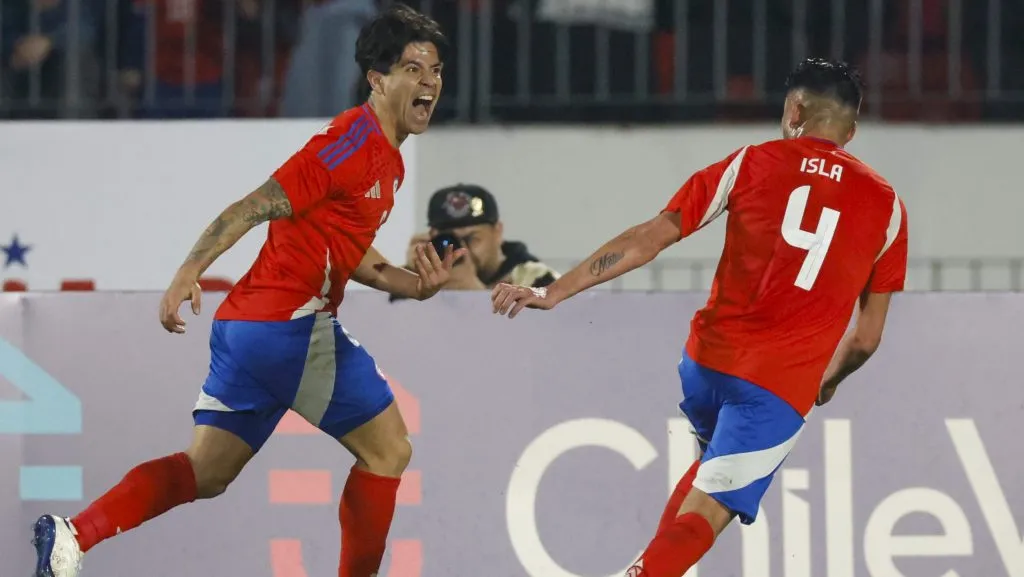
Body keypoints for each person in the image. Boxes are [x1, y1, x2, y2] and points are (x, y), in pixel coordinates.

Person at [32, 5, 455, 577]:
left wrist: (415, 287)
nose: (429, 81)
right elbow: (252, 206)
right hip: (289, 326)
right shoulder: (347, 144)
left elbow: (352, 254)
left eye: (435, 70)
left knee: (207, 473)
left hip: (247, 330)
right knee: (389, 449)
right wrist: (188, 272)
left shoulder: (387, 158)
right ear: (377, 80)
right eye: (412, 68)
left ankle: (73, 535)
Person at [491, 58, 908, 577]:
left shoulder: (751, 162)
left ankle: (647, 566)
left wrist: (554, 290)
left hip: (706, 364)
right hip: (777, 388)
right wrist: (829, 380)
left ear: (795, 108)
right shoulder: (887, 205)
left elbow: (652, 236)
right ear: (851, 129)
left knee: (707, 476)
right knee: (708, 511)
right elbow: (867, 338)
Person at [392, 184, 559, 301]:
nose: (461, 249)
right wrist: (412, 279)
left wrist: (473, 294)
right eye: (449, 239)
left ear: (497, 232)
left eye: (472, 239)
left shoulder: (536, 278)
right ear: (431, 237)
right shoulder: (429, 276)